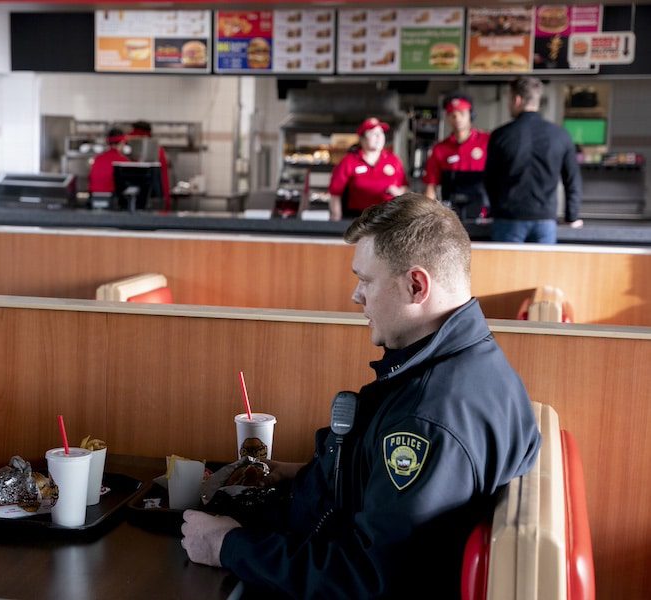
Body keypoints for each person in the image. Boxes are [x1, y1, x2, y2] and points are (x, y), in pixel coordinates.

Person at [181, 193, 541, 597]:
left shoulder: (426, 420)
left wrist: (228, 546)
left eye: (366, 280)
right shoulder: (468, 365)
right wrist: (299, 473)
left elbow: (368, 582)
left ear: (416, 285)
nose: (357, 295)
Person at [485, 76, 584, 243]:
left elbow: (490, 179)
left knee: (506, 269)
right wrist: (571, 217)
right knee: (542, 269)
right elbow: (572, 180)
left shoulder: (500, 135)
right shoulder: (561, 135)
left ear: (517, 100)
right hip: (545, 220)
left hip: (509, 219)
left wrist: (496, 210)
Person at [423, 93, 490, 216]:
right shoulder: (439, 149)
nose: (457, 118)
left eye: (462, 113)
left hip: (483, 212)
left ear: (471, 115)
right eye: (452, 115)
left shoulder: (487, 142)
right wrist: (427, 215)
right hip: (451, 214)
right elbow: (431, 186)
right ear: (448, 118)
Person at [328, 117, 407, 221]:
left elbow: (405, 187)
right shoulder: (349, 161)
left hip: (389, 217)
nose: (379, 137)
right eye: (373, 134)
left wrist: (398, 192)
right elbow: (335, 193)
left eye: (381, 133)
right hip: (358, 218)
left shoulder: (394, 160)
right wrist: (336, 219)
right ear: (362, 139)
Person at [128, 120, 172, 211]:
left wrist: (166, 202)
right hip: (142, 198)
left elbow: (163, 178)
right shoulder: (130, 150)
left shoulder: (156, 151)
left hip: (152, 198)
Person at [87, 127, 130, 196]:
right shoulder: (123, 161)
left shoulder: (97, 158)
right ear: (122, 142)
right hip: (113, 199)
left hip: (93, 197)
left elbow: (90, 178)